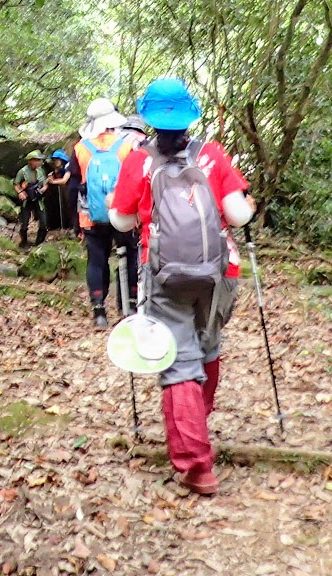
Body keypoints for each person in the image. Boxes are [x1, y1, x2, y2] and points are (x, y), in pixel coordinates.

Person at [108, 77, 254, 496]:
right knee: (208, 346)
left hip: (163, 274)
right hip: (220, 272)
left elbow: (120, 220)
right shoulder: (211, 154)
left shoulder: (140, 160)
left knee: (177, 362)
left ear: (149, 119)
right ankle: (197, 423)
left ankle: (196, 465)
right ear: (190, 116)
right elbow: (238, 215)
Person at [74, 98, 138, 329]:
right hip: (123, 213)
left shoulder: (80, 148)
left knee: (96, 260)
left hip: (91, 215)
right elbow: (135, 181)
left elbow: (74, 186)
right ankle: (129, 305)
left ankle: (99, 311)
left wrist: (76, 223)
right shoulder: (126, 145)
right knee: (130, 257)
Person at [13, 150, 49, 247]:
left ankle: (39, 242)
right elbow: (16, 184)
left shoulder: (41, 171)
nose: (39, 162)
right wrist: (20, 192)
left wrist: (42, 190)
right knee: (24, 222)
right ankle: (24, 241)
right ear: (30, 161)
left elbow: (45, 184)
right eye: (36, 160)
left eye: (39, 160)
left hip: (38, 198)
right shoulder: (22, 172)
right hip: (27, 199)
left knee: (43, 221)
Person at [45, 151, 74, 234]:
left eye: (57, 159)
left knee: (70, 207)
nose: (55, 162)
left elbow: (64, 180)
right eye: (54, 160)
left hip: (70, 189)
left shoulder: (68, 167)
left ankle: (70, 226)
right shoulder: (56, 170)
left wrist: (53, 181)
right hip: (61, 192)